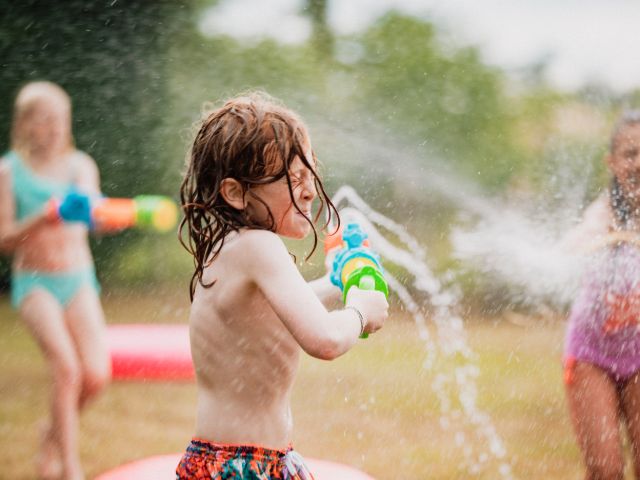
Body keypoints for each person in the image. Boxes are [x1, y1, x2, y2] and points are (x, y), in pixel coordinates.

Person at [176, 92, 389, 479]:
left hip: (235, 461)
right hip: (243, 467)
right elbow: (323, 339)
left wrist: (337, 282)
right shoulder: (259, 246)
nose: (309, 191)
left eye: (310, 176)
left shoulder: (236, 247)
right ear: (236, 192)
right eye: (293, 180)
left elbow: (279, 312)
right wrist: (361, 310)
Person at [0, 81, 111, 480]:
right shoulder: (9, 171)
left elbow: (95, 217)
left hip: (78, 280)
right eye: (44, 119)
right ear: (25, 124)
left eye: (60, 119)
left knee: (96, 375)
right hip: (36, 284)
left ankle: (50, 433)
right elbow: (5, 239)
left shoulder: (81, 166)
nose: (53, 127)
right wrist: (44, 217)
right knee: (67, 369)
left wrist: (100, 213)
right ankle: (69, 468)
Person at [563, 110, 640, 479]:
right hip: (591, 355)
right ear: (612, 162)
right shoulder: (603, 214)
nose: (639, 164)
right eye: (631, 154)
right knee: (605, 471)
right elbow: (571, 248)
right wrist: (596, 238)